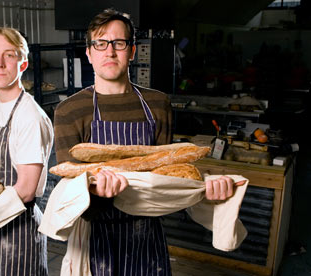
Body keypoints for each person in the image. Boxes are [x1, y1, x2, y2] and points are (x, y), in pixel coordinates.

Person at [53, 9, 237, 276]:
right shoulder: (70, 111)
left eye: (119, 43)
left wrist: (205, 192)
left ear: (133, 51)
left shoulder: (158, 104)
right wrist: (96, 195)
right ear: (89, 53)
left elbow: (167, 179)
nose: (110, 52)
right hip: (94, 238)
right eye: (100, 44)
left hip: (147, 236)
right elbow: (68, 195)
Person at [0, 26, 53, 276]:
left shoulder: (29, 116)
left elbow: (26, 189)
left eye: (9, 55)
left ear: (22, 64)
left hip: (18, 231)